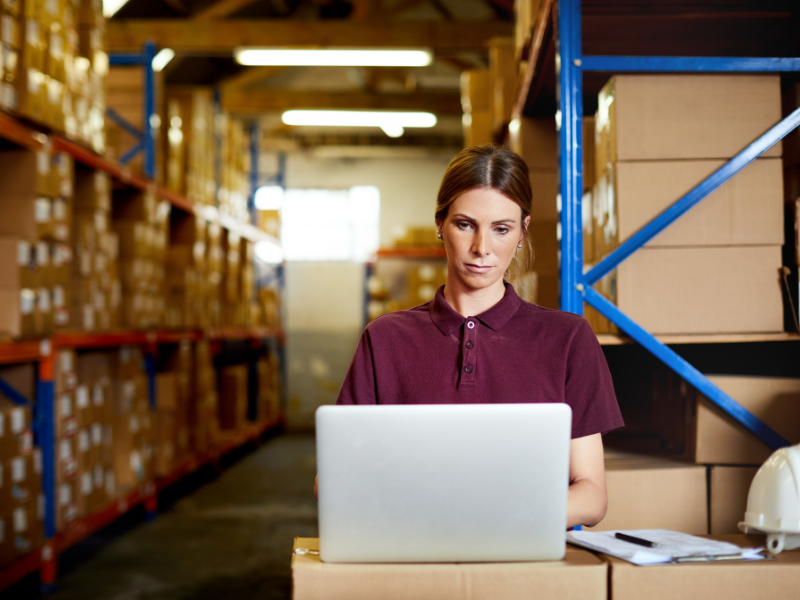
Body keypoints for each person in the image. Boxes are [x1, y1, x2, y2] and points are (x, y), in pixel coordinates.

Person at [328, 144, 624, 529]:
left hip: (525, 554)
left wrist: (488, 519)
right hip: (411, 545)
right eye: (465, 224)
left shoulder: (567, 338)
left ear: (522, 232)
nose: (482, 248)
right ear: (440, 223)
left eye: (501, 229)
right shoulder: (385, 339)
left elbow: (591, 494)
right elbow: (335, 481)